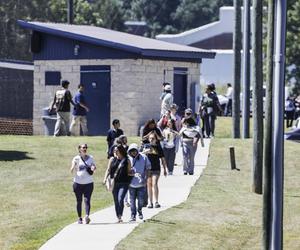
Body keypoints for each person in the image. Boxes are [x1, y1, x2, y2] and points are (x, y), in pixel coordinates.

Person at [103, 144, 132, 223]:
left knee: (120, 199)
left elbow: (129, 171)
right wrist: (105, 179)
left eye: (116, 150)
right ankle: (118, 217)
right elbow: (108, 170)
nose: (115, 152)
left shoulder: (127, 160)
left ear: (121, 151)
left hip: (124, 183)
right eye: (114, 150)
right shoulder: (112, 159)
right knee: (116, 200)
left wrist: (132, 173)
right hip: (114, 183)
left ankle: (120, 215)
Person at [70, 143, 96, 224]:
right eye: (83, 147)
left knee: (87, 200)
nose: (85, 149)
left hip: (89, 183)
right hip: (77, 183)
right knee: (79, 201)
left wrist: (93, 167)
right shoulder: (76, 158)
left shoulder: (90, 158)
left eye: (86, 147)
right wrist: (72, 168)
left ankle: (87, 216)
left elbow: (94, 167)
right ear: (79, 149)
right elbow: (72, 167)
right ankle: (79, 218)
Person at [142, 132, 167, 208]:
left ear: (156, 139)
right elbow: (140, 155)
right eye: (150, 138)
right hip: (148, 169)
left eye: (153, 138)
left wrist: (165, 169)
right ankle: (150, 202)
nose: (151, 139)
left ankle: (156, 202)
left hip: (156, 168)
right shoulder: (146, 146)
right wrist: (145, 152)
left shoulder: (158, 147)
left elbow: (163, 159)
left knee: (154, 183)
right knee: (149, 185)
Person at [127, 143, 151, 221]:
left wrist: (146, 178)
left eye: (134, 150)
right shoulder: (128, 159)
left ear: (137, 150)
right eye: (131, 151)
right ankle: (133, 215)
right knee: (132, 201)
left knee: (141, 201)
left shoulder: (144, 157)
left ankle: (139, 210)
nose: (133, 152)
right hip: (131, 184)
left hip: (142, 183)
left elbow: (148, 168)